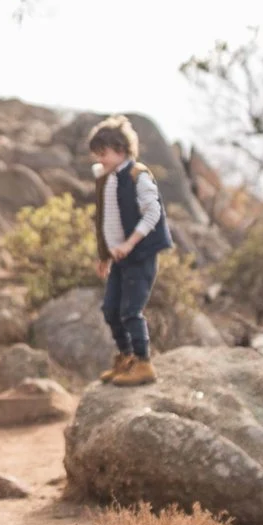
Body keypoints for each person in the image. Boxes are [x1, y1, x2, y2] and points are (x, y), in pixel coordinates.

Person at [89, 115, 170, 386]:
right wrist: (105, 255)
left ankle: (144, 362)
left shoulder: (138, 175)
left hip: (140, 256)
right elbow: (106, 219)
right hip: (119, 259)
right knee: (110, 309)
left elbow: (153, 213)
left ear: (121, 150)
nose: (99, 159)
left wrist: (130, 243)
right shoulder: (108, 178)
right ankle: (126, 357)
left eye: (103, 153)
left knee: (130, 311)